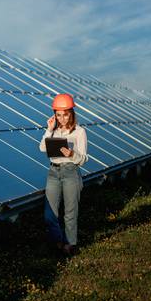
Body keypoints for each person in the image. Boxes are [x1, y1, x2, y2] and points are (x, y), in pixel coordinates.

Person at [39, 93, 88, 255]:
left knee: (70, 212)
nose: (62, 119)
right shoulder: (53, 130)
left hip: (70, 172)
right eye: (58, 115)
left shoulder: (79, 132)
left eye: (65, 115)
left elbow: (83, 159)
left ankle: (70, 244)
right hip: (53, 172)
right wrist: (48, 130)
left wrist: (71, 154)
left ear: (71, 113)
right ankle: (58, 240)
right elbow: (42, 148)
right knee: (49, 214)